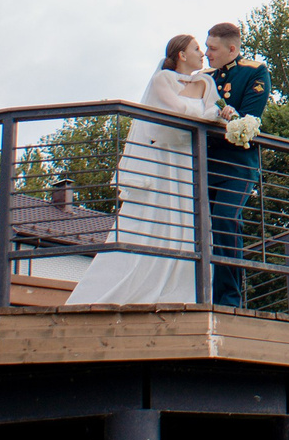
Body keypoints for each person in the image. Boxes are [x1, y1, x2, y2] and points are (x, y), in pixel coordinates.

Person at [65, 34, 214, 306]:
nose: (202, 53)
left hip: (187, 159)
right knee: (156, 212)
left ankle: (184, 290)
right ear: (181, 54)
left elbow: (214, 111)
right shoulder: (163, 80)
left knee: (188, 218)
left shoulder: (206, 82)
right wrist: (207, 115)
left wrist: (216, 115)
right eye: (196, 48)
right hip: (164, 155)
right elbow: (179, 109)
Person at [203, 21, 271, 308]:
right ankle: (201, 294)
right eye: (205, 47)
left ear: (232, 48)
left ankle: (229, 299)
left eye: (212, 48)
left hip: (237, 164)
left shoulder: (254, 72)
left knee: (226, 220)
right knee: (201, 228)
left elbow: (250, 118)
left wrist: (228, 117)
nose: (207, 53)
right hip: (204, 162)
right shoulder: (203, 76)